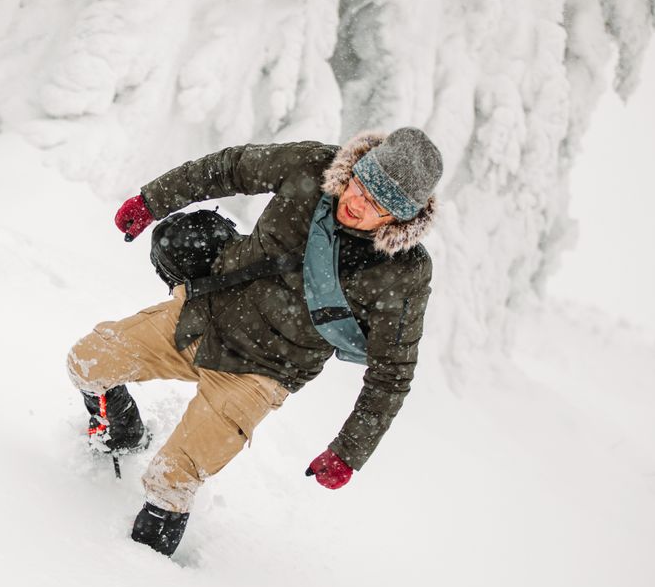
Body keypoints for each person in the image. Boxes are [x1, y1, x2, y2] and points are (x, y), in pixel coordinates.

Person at [66, 127, 442, 556]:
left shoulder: (403, 273)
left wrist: (348, 451)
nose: (355, 202)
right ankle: (122, 433)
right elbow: (227, 169)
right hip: (203, 316)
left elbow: (391, 374)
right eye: (359, 185)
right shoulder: (311, 166)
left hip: (260, 375)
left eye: (376, 205)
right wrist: (152, 200)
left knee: (171, 481)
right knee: (86, 362)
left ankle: (141, 578)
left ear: (400, 219)